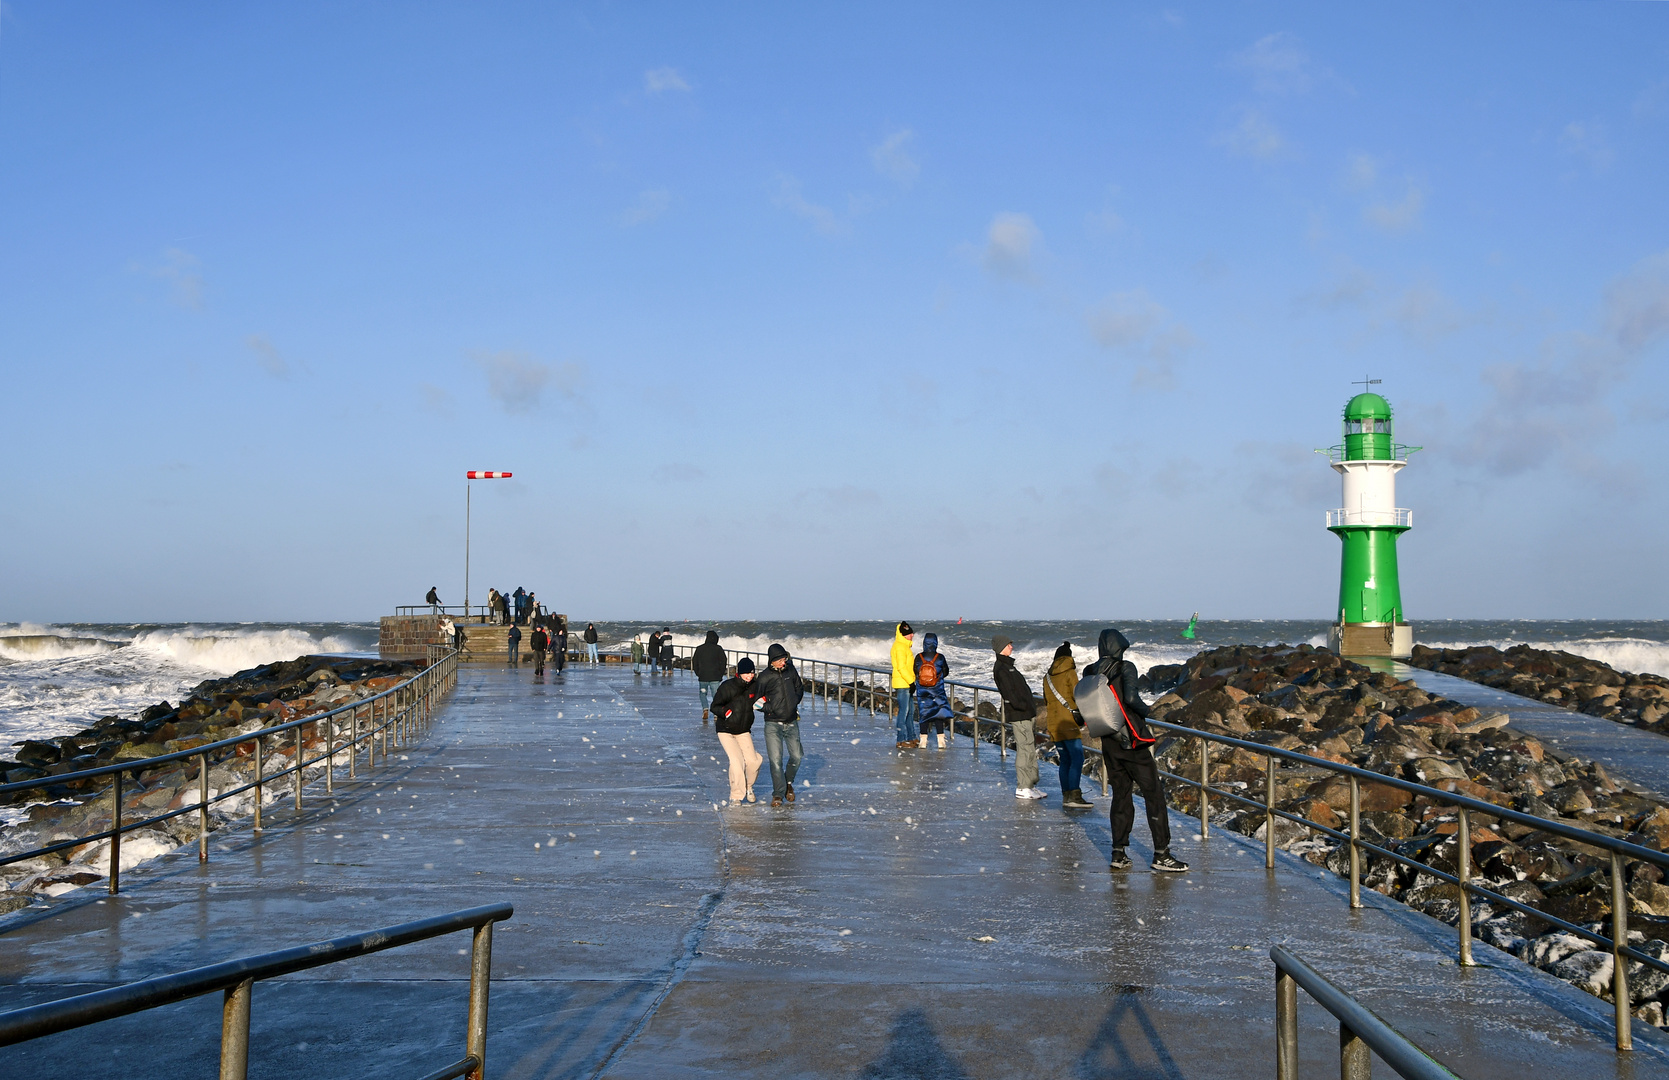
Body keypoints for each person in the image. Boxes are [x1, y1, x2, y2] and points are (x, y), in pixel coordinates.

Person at [1093, 628, 1187, 873]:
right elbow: (1132, 699)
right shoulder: (1126, 668)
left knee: (1121, 796)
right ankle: (1161, 854)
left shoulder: (1091, 671)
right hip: (1131, 742)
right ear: (1119, 648)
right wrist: (1151, 713)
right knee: (1153, 795)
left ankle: (1118, 853)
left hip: (1109, 742)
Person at [993, 635, 1045, 800]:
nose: (1011, 647)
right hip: (1019, 714)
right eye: (1009, 645)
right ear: (1002, 647)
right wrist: (1022, 706)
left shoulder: (1008, 666)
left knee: (1029, 749)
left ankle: (1030, 785)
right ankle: (1023, 786)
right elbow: (1010, 694)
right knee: (1024, 750)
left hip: (1025, 713)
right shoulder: (1001, 668)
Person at [754, 643, 805, 806]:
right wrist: (771, 709)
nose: (784, 662)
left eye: (785, 659)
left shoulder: (791, 670)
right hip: (772, 724)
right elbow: (756, 701)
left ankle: (788, 783)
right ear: (773, 661)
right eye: (781, 660)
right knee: (775, 761)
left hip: (791, 721)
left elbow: (799, 688)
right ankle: (777, 794)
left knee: (797, 757)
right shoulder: (764, 677)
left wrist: (794, 702)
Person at [1044, 641, 1092, 808]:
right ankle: (1075, 796)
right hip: (1068, 723)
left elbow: (1046, 700)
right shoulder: (1070, 673)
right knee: (1077, 758)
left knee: (1064, 759)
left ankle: (1066, 795)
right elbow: (1078, 694)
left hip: (1054, 724)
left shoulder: (1047, 676)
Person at [711, 658, 765, 803]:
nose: (749, 676)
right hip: (725, 730)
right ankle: (736, 796)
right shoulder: (727, 686)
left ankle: (748, 787)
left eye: (752, 673)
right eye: (746, 673)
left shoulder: (755, 686)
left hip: (743, 730)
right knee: (737, 761)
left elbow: (765, 695)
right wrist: (725, 712)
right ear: (739, 673)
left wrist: (763, 701)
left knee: (754, 761)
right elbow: (714, 706)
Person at [913, 633, 953, 749]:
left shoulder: (918, 657)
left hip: (922, 690)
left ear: (924, 642)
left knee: (924, 714)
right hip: (937, 690)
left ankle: (923, 741)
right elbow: (946, 671)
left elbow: (915, 671)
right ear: (935, 642)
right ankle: (941, 741)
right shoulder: (940, 657)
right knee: (938, 714)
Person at [890, 621, 920, 749]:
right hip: (903, 683)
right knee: (903, 712)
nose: (912, 635)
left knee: (910, 711)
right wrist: (910, 681)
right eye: (909, 633)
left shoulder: (904, 646)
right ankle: (901, 740)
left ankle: (911, 737)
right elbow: (901, 667)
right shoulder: (900, 647)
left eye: (912, 633)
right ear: (903, 634)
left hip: (906, 683)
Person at [692, 630, 728, 721]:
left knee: (703, 694)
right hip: (715, 677)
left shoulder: (699, 648)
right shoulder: (718, 649)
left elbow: (694, 661)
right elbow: (723, 661)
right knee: (716, 695)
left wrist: (698, 672)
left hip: (703, 676)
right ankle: (716, 712)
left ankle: (705, 709)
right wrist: (721, 673)